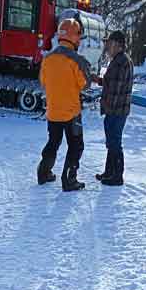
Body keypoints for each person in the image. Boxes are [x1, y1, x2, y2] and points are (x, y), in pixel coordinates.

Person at [37, 18, 93, 192]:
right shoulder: (76, 60)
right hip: (71, 113)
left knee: (53, 142)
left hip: (53, 111)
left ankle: (43, 172)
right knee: (76, 146)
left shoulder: (48, 59)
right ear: (74, 37)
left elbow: (42, 82)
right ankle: (69, 179)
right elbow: (85, 84)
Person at [94, 31, 134, 186]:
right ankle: (109, 172)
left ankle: (117, 176)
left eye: (109, 43)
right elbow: (112, 83)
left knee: (114, 141)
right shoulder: (119, 60)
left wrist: (107, 108)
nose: (107, 46)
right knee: (111, 142)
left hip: (116, 111)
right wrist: (98, 80)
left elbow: (115, 90)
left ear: (117, 44)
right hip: (116, 110)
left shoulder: (121, 61)